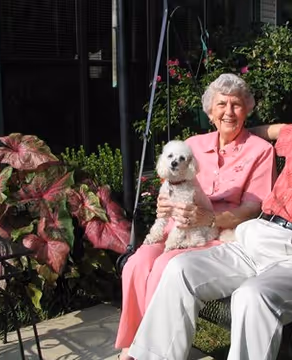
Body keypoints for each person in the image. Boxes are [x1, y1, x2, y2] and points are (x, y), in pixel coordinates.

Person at [127, 67, 292, 360]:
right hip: (257, 239)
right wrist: (235, 136)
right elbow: (276, 130)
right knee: (180, 269)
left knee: (251, 296)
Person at [115, 73, 276, 360]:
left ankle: (153, 354)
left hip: (219, 233)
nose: (229, 112)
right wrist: (163, 205)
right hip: (177, 226)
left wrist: (209, 218)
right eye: (222, 104)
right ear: (210, 110)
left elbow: (252, 208)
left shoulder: (260, 151)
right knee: (137, 263)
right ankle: (133, 346)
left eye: (237, 105)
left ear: (247, 109)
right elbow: (170, 183)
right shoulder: (193, 144)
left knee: (166, 264)